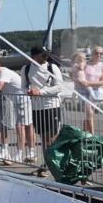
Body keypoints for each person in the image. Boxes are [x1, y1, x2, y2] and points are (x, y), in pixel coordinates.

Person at [23, 45, 65, 176]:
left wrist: (40, 92)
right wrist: (29, 92)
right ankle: (48, 163)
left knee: (51, 137)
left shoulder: (53, 67)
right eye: (42, 54)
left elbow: (59, 86)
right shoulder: (26, 69)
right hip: (36, 108)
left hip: (52, 105)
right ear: (34, 56)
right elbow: (23, 87)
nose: (45, 56)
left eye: (45, 54)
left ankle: (52, 164)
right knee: (44, 137)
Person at [0, 57, 27, 162]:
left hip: (23, 98)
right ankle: (5, 151)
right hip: (13, 100)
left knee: (21, 126)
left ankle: (20, 154)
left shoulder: (4, 72)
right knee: (3, 125)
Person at [79, 47, 103, 134]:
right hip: (83, 91)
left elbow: (102, 82)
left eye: (101, 53)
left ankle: (84, 133)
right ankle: (92, 135)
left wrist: (89, 83)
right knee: (89, 113)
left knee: (88, 114)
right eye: (96, 53)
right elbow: (77, 74)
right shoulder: (85, 64)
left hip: (95, 92)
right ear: (92, 53)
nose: (99, 55)